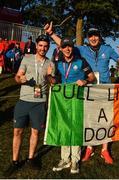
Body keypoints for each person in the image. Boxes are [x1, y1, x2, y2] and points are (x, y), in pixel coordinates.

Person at [44, 22, 119, 165]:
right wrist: (51, 34)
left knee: (106, 118)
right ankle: (89, 146)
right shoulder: (82, 49)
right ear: (88, 38)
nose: (93, 38)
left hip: (105, 89)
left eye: (95, 35)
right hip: (89, 90)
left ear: (99, 37)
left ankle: (104, 149)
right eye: (90, 36)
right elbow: (65, 46)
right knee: (89, 118)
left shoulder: (107, 49)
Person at [5, 34, 54, 176]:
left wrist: (50, 76)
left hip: (39, 103)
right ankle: (15, 161)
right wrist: (20, 79)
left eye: (45, 46)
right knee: (17, 131)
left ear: (48, 47)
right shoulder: (26, 58)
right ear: (36, 46)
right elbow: (17, 77)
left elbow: (53, 83)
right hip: (24, 101)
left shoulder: (50, 64)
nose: (43, 48)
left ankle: (31, 158)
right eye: (40, 45)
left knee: (35, 132)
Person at [47, 37, 96, 174]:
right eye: (64, 47)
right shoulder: (58, 62)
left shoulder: (81, 61)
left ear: (72, 47)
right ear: (61, 48)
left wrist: (85, 81)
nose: (67, 49)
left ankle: (75, 160)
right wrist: (50, 79)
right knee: (63, 126)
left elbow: (92, 77)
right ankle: (64, 159)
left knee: (75, 127)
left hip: (78, 100)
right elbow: (56, 78)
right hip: (63, 100)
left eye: (69, 46)